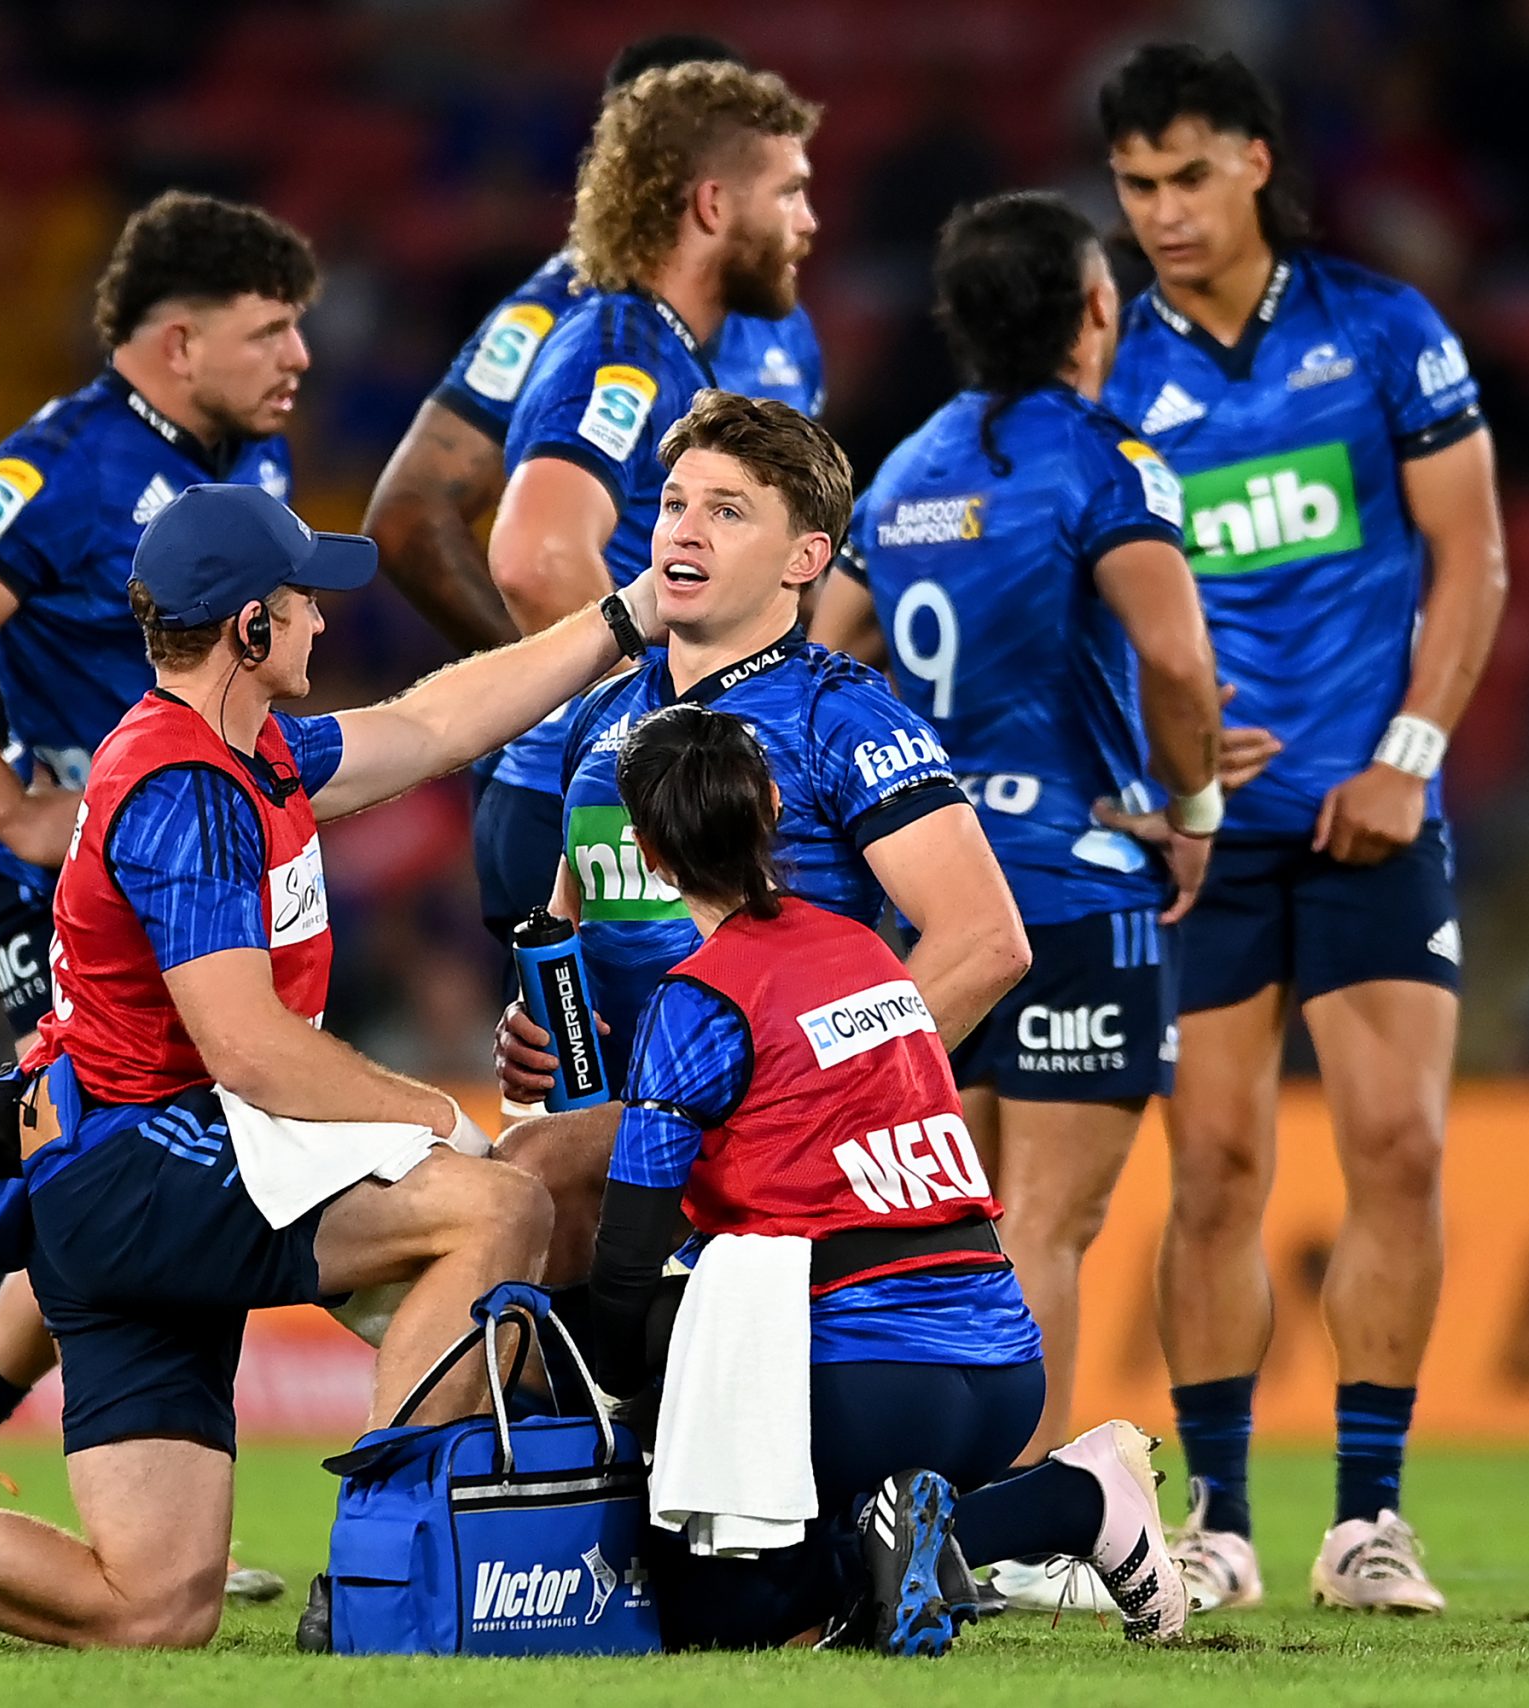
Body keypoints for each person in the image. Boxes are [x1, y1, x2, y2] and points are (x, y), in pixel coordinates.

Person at [0, 484, 669, 1653]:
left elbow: (441, 720)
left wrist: (626, 613)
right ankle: (377, 1578)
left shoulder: (240, 752)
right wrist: (433, 1112)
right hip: (151, 1165)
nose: (322, 621)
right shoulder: (188, 794)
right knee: (498, 1200)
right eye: (301, 602)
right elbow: (243, 1045)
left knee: (150, 1607)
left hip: (113, 1186)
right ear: (249, 629)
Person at [0, 192, 314, 1591]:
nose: (299, 357)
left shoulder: (249, 457)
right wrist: (8, 806)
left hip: (176, 866)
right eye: (270, 330)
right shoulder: (64, 467)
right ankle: (57, 1473)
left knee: (138, 1165)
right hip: (64, 880)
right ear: (177, 344)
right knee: (119, 1163)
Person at [1096, 43, 1507, 1614]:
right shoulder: (1110, 367)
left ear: (1256, 161)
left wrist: (1407, 751)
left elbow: (1472, 558)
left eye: (1188, 175)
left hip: (1371, 811)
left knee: (1398, 1145)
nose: (1162, 212)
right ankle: (1217, 1522)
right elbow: (1073, 594)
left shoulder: (1381, 331)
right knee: (1212, 1167)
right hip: (1202, 836)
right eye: (1136, 187)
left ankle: (1371, 1523)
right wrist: (1154, 761)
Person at [810, 190, 1255, 1610]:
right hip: (1068, 886)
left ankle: (941, 1508)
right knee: (1049, 1225)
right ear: (1093, 313)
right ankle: (1032, 1530)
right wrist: (1190, 815)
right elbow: (1179, 664)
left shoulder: (904, 471)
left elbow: (834, 650)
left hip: (930, 900)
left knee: (971, 1220)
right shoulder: (1106, 463)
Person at [582, 703, 1187, 1655]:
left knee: (712, 1617)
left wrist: (619, 1400)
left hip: (858, 1381)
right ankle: (1063, 1499)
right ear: (776, 806)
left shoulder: (697, 1001)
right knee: (846, 1583)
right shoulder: (866, 951)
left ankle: (1047, 1506)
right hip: (1002, 1363)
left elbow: (625, 1258)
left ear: (650, 855)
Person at [493, 392, 1028, 1286]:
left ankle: (424, 1434)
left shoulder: (842, 714)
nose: (683, 533)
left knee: (520, 1181)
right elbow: (571, 926)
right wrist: (528, 1029)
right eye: (673, 505)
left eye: (727, 512)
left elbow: (986, 942)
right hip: (635, 1129)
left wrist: (810, 1096)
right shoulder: (600, 713)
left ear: (805, 558)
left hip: (753, 1146)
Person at [459, 58, 822, 963]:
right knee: (634, 1096)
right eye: (787, 194)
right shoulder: (621, 351)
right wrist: (662, 741)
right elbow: (536, 554)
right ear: (712, 205)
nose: (807, 224)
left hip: (580, 797)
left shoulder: (666, 349)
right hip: (587, 807)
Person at [367, 33, 825, 657]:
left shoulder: (778, 315)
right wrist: (546, 693)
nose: (806, 222)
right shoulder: (564, 318)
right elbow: (412, 519)